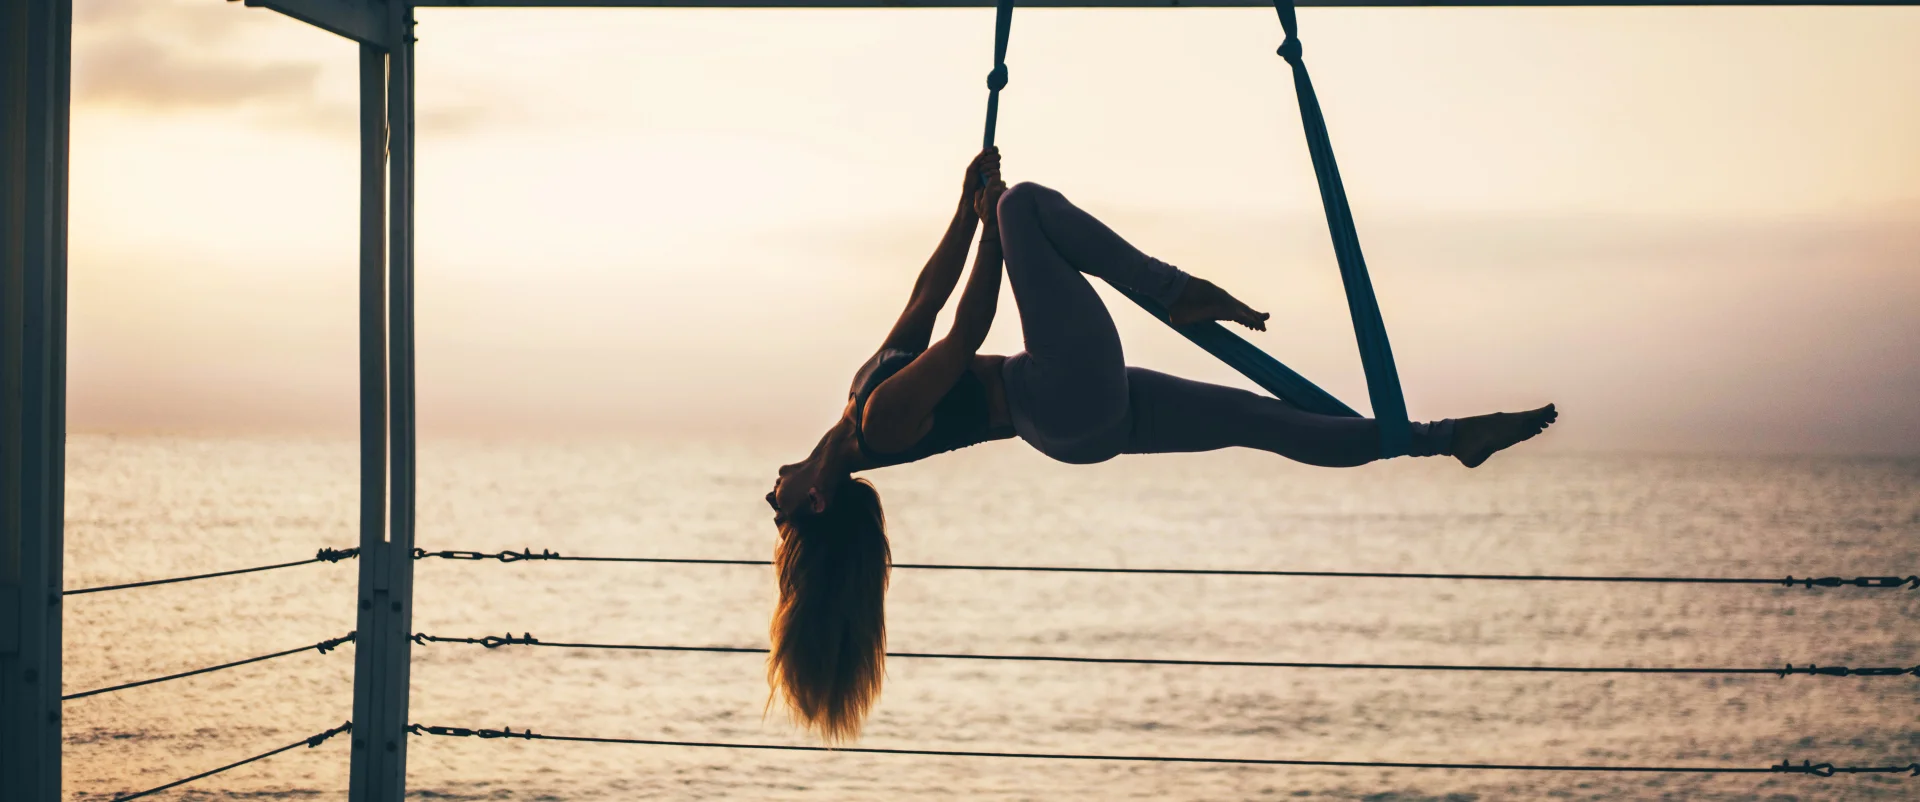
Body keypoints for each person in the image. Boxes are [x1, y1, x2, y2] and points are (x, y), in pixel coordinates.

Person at [764, 147, 1556, 742]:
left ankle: (1448, 440)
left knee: (1262, 420)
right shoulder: (880, 423)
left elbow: (925, 301)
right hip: (1055, 392)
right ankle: (1173, 291)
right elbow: (968, 329)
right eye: (781, 516)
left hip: (1069, 413)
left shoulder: (856, 407)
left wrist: (963, 206)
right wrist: (994, 223)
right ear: (819, 500)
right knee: (1027, 209)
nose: (771, 500)